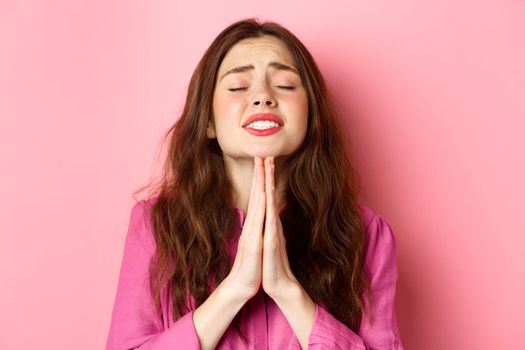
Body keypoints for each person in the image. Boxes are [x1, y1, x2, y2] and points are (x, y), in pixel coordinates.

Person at [106, 18, 404, 350]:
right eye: (238, 87)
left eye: (286, 85)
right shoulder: (156, 225)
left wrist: (288, 291)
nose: (262, 97)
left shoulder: (366, 236)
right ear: (208, 122)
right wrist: (235, 289)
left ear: (311, 116)